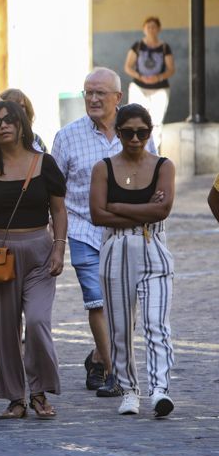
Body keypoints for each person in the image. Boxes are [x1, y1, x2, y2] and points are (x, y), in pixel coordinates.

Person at [0, 101, 67, 420]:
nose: (3, 125)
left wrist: (59, 248)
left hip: (39, 248)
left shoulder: (44, 163)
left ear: (22, 123)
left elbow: (59, 210)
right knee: (2, 328)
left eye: (10, 119)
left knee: (37, 322)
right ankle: (15, 397)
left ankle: (39, 391)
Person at [52, 67, 139, 397]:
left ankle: (98, 358)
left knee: (127, 306)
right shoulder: (67, 136)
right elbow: (54, 190)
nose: (92, 98)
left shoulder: (135, 131)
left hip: (126, 230)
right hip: (83, 228)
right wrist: (56, 236)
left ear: (118, 98)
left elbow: (152, 169)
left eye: (100, 92)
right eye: (88, 92)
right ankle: (117, 373)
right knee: (98, 302)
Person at [90, 104, 176, 417]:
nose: (136, 138)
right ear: (118, 133)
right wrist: (142, 209)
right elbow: (97, 214)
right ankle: (129, 390)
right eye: (128, 132)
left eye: (142, 132)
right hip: (116, 250)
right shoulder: (104, 168)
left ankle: (159, 389)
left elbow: (162, 211)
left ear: (150, 133)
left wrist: (118, 205)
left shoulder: (163, 166)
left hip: (153, 246)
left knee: (156, 324)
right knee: (120, 327)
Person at [124, 17, 175, 150]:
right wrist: (140, 77)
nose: (151, 30)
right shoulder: (138, 46)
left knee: (156, 122)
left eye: (154, 27)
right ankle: (136, 149)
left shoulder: (164, 47)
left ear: (159, 29)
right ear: (144, 29)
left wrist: (158, 77)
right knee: (136, 119)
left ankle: (153, 150)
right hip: (139, 88)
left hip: (160, 89)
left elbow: (171, 69)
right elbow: (128, 66)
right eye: (148, 27)